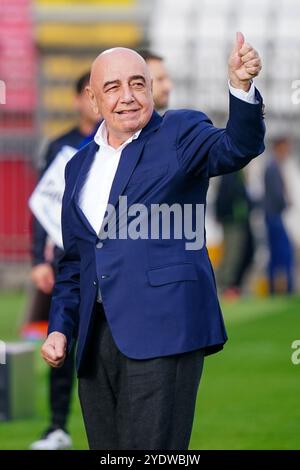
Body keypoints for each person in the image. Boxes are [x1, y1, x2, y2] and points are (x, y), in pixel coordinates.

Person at [41, 32, 265, 450]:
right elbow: (75, 263)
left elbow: (238, 146)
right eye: (113, 87)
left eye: (137, 83)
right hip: (95, 342)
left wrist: (241, 88)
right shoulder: (77, 165)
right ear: (93, 101)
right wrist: (60, 328)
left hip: (165, 329)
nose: (127, 96)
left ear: (151, 89)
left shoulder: (180, 131)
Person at [29, 71, 100, 450]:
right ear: (78, 99)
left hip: (105, 261)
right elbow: (42, 205)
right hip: (66, 260)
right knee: (60, 339)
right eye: (89, 94)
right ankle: (57, 426)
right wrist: (38, 260)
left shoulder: (118, 143)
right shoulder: (60, 147)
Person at [215, 170, 254, 299]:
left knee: (236, 253)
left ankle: (228, 286)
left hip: (236, 219)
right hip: (232, 220)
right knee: (232, 254)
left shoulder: (236, 172)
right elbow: (227, 195)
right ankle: (225, 286)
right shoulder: (231, 172)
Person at [264, 137, 294, 294]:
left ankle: (274, 289)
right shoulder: (273, 168)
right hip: (274, 216)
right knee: (283, 253)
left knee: (276, 254)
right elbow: (277, 196)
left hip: (272, 216)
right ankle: (286, 288)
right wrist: (287, 202)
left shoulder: (273, 167)